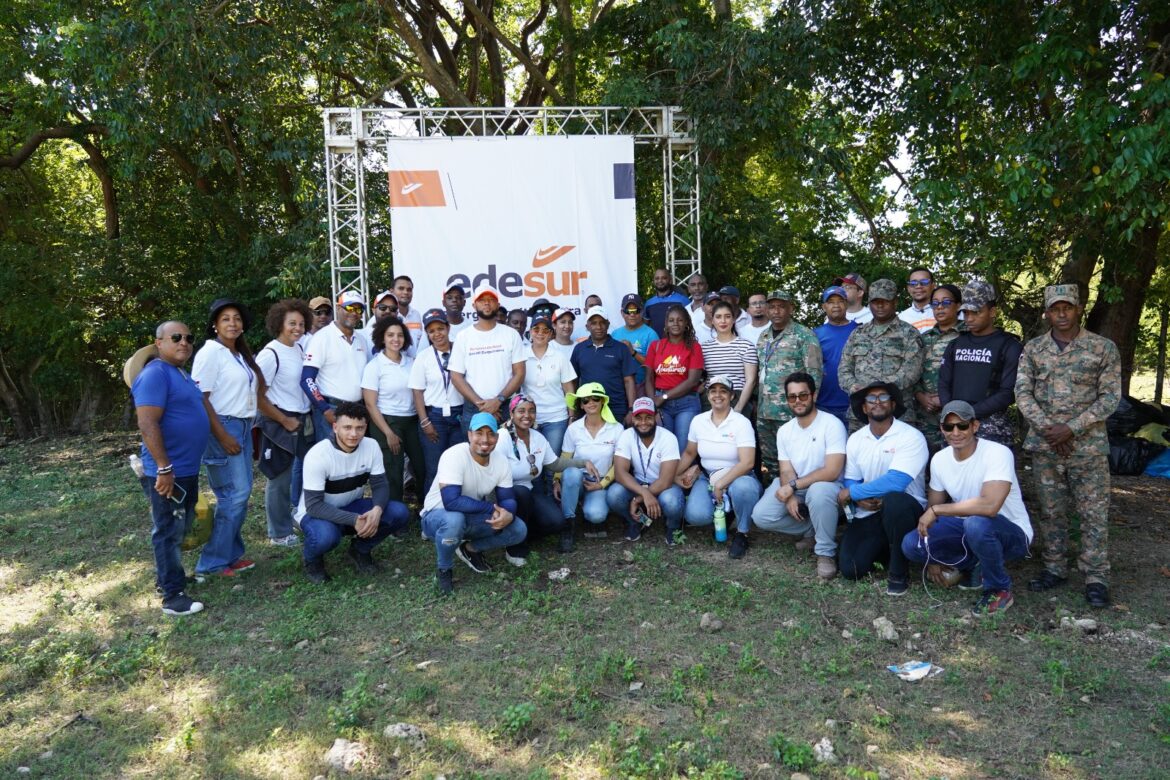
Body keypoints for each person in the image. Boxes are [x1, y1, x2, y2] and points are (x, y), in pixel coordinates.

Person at [1015, 284, 1121, 608]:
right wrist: (1050, 430)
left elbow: (1111, 397)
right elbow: (1022, 392)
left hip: (1087, 447)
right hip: (1046, 445)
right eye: (1055, 309)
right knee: (1051, 512)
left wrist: (1070, 429)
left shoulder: (1102, 348)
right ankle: (1054, 568)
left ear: (1078, 309)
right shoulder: (1033, 349)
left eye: (1067, 308)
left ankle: (1096, 577)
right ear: (1047, 312)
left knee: (1093, 513)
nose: (1061, 314)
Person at [901, 401, 1034, 615]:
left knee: (977, 523)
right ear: (942, 429)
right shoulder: (940, 459)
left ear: (975, 426)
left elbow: (990, 506)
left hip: (1011, 533)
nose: (955, 432)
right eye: (948, 427)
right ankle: (972, 564)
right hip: (967, 530)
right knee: (911, 544)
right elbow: (932, 509)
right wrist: (931, 557)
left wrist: (936, 511)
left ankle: (999, 588)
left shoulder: (997, 453)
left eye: (962, 426)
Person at [132, 320, 210, 616]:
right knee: (168, 529)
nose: (184, 342)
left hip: (185, 468)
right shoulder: (155, 374)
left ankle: (170, 577)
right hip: (167, 471)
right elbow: (147, 422)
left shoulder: (180, 373)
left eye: (189, 338)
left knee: (181, 525)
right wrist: (164, 467)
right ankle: (173, 596)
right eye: (176, 337)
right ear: (159, 343)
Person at [191, 299, 271, 578]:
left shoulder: (237, 354)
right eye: (225, 319)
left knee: (239, 493)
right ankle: (211, 564)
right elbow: (200, 398)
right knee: (233, 495)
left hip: (242, 425)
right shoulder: (210, 352)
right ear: (215, 324)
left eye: (237, 318)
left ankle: (231, 554)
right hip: (222, 426)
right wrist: (222, 435)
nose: (232, 323)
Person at [296, 401, 410, 582]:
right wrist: (354, 520)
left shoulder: (371, 446)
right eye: (347, 427)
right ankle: (312, 560)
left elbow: (380, 484)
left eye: (360, 428)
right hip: (317, 513)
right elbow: (314, 506)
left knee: (398, 512)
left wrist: (377, 510)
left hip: (350, 505)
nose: (353, 434)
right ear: (335, 427)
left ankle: (359, 550)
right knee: (325, 536)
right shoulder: (318, 454)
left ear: (366, 427)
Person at [749, 372, 847, 577]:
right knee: (761, 516)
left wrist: (793, 487)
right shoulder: (785, 431)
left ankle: (825, 552)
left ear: (814, 395)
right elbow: (785, 470)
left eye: (803, 395)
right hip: (798, 485)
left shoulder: (832, 424)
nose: (798, 401)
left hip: (828, 488)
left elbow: (832, 470)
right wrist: (790, 495)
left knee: (818, 492)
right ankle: (813, 529)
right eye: (792, 397)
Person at [836, 382, 929, 594]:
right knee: (851, 569)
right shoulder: (856, 439)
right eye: (871, 399)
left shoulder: (911, 436)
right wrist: (858, 498)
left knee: (895, 499)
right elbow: (851, 478)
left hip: (906, 510)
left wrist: (852, 493)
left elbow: (896, 481)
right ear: (864, 408)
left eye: (883, 397)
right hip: (870, 511)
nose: (877, 402)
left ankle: (899, 573)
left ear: (893, 404)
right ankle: (888, 549)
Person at [421, 412, 528, 594]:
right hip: (436, 517)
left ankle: (469, 549)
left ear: (497, 436)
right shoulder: (454, 455)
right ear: (469, 435)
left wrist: (507, 513)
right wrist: (491, 508)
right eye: (479, 433)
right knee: (454, 520)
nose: (485, 439)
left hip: (469, 516)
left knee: (518, 529)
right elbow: (451, 501)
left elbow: (508, 498)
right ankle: (444, 569)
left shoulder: (500, 461)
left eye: (490, 433)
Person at [675, 375, 762, 557]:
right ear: (707, 395)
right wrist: (673, 475)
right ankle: (725, 513)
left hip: (738, 477)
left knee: (744, 488)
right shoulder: (698, 421)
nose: (718, 395)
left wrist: (721, 484)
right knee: (696, 516)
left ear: (731, 396)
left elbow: (747, 463)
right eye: (713, 391)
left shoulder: (741, 422)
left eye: (723, 391)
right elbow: (690, 453)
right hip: (707, 477)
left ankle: (742, 532)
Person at [498, 396, 588, 559]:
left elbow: (554, 464)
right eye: (521, 411)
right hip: (505, 494)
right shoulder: (502, 437)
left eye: (532, 411)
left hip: (529, 491)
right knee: (521, 493)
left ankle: (519, 533)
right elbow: (492, 473)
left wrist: (583, 463)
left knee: (557, 521)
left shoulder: (537, 437)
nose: (527, 415)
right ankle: (515, 547)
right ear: (511, 413)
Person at [256, 299, 314, 547]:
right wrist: (283, 419)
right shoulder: (270, 354)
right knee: (279, 478)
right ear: (280, 322)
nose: (297, 328)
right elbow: (257, 396)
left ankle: (298, 518)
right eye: (292, 323)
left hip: (302, 419)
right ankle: (278, 533)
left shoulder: (299, 349)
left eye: (301, 323)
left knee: (308, 472)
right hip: (279, 421)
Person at [938, 280, 1022, 447]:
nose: (969, 318)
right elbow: (943, 384)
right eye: (966, 313)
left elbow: (1008, 392)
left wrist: (968, 414)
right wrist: (954, 413)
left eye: (976, 312)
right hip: (955, 424)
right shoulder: (955, 344)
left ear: (992, 312)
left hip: (991, 425)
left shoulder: (1010, 345)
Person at [838, 278, 924, 429]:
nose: (879, 305)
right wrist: (853, 387)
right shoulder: (858, 333)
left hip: (898, 415)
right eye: (875, 301)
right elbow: (844, 368)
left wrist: (876, 390)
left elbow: (911, 372)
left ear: (895, 302)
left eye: (885, 300)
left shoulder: (909, 333)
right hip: (860, 414)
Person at [755, 290, 823, 476]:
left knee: (795, 459)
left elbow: (814, 372)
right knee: (769, 462)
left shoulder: (804, 335)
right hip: (765, 411)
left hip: (792, 410)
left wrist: (809, 404)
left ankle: (797, 498)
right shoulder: (763, 337)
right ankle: (774, 496)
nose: (776, 311)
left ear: (791, 308)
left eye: (781, 307)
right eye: (772, 307)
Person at [361, 317, 425, 502]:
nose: (395, 339)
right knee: (393, 471)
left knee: (421, 466)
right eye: (390, 335)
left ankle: (423, 509)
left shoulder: (411, 362)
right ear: (382, 338)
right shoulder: (374, 366)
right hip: (386, 421)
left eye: (399, 335)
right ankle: (395, 518)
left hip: (412, 420)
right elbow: (370, 405)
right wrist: (388, 433)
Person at [448, 284, 526, 429]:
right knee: (476, 451)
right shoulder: (463, 336)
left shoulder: (511, 334)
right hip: (474, 407)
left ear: (498, 304)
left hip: (506, 406)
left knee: (508, 450)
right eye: (482, 299)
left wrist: (498, 401)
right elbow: (456, 376)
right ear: (474, 305)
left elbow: (520, 373)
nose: (486, 303)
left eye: (491, 299)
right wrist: (482, 405)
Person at [607, 397, 685, 542]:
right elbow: (620, 473)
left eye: (648, 417)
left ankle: (673, 525)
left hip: (663, 485)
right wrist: (644, 493)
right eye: (639, 418)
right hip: (639, 483)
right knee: (614, 494)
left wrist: (638, 499)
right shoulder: (626, 435)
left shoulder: (668, 438)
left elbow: (666, 481)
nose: (643, 423)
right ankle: (635, 521)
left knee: (672, 501)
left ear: (656, 417)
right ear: (632, 418)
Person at [302, 290, 373, 443]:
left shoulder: (361, 339)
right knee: (331, 461)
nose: (354, 313)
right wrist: (324, 409)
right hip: (332, 409)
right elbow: (307, 379)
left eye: (358, 309)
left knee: (355, 463)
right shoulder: (322, 337)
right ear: (339, 308)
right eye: (349, 308)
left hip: (358, 411)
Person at [410, 309, 465, 497]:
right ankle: (430, 511)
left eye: (440, 328)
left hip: (460, 415)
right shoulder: (424, 357)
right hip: (434, 418)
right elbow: (417, 391)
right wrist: (425, 422)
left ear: (448, 328)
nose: (437, 334)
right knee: (434, 469)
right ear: (427, 333)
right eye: (431, 331)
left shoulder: (461, 350)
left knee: (458, 467)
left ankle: (458, 506)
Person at [557, 383, 621, 542]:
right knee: (571, 473)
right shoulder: (573, 429)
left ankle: (584, 506)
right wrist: (556, 480)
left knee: (596, 515)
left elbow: (619, 464)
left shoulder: (616, 428)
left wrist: (602, 484)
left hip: (599, 483)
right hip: (576, 481)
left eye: (596, 398)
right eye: (585, 400)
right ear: (580, 404)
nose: (591, 403)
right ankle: (568, 526)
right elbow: (565, 457)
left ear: (603, 402)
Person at [645, 304, 705, 444]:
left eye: (680, 320)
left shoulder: (694, 346)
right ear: (666, 323)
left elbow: (692, 381)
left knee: (683, 448)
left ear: (686, 324)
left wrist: (664, 397)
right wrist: (652, 400)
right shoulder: (656, 346)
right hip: (660, 404)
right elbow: (649, 376)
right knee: (664, 447)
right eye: (671, 320)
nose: (675, 323)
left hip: (687, 403)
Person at [914, 284, 964, 451]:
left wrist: (946, 398)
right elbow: (913, 371)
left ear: (958, 306)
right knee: (930, 464)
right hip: (926, 414)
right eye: (935, 303)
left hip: (959, 415)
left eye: (946, 302)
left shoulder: (969, 335)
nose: (940, 307)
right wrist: (921, 396)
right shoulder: (923, 338)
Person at [522, 314, 577, 460]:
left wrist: (571, 416)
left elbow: (569, 389)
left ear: (551, 334)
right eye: (536, 329)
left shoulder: (559, 357)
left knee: (551, 463)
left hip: (556, 418)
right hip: (529, 418)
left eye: (545, 330)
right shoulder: (521, 355)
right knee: (532, 462)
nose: (540, 333)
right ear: (530, 332)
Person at [571, 306, 638, 423]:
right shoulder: (579, 349)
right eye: (594, 323)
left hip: (616, 409)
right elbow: (573, 381)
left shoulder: (621, 348)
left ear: (608, 324)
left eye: (602, 322)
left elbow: (629, 380)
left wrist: (631, 409)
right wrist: (575, 410)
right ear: (587, 326)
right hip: (589, 408)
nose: (598, 327)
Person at [700, 300, 758, 415]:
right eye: (718, 317)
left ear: (733, 319)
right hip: (711, 399)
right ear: (712, 320)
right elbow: (701, 379)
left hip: (738, 397)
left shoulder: (746, 346)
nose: (723, 321)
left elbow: (751, 380)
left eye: (727, 316)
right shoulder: (704, 348)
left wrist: (739, 407)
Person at [813, 285, 858, 426]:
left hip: (854, 403)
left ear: (846, 304)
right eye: (831, 302)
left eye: (840, 301)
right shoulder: (815, 334)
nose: (836, 305)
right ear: (824, 306)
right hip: (824, 403)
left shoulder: (860, 331)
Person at [611, 294, 657, 393]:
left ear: (642, 312)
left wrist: (633, 352)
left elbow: (655, 366)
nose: (632, 315)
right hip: (618, 387)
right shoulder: (615, 334)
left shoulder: (651, 334)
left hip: (642, 387)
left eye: (636, 311)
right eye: (628, 311)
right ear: (622, 313)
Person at [644, 268, 691, 336]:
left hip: (678, 343)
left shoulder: (683, 301)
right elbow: (645, 327)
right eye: (657, 278)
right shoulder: (648, 303)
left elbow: (690, 324)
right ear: (654, 281)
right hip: (656, 344)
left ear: (670, 280)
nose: (660, 281)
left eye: (664, 278)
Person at [898, 267, 937, 332]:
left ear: (933, 286)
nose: (918, 286)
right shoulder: (901, 319)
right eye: (913, 283)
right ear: (908, 288)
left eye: (924, 282)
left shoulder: (943, 311)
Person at [394, 275, 426, 349]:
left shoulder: (416, 315)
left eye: (409, 289)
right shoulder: (386, 315)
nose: (406, 292)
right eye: (401, 288)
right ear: (392, 291)